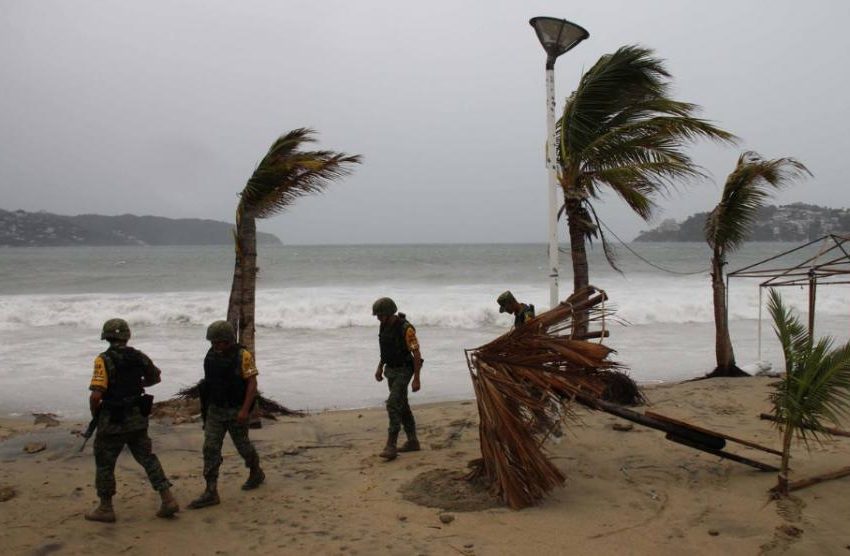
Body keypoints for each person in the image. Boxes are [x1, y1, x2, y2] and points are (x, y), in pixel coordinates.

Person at [85, 318, 179, 522]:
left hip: (113, 420)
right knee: (147, 458)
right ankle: (167, 497)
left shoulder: (104, 359)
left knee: (105, 464)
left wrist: (96, 415)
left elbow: (96, 395)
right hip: (137, 418)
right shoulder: (139, 356)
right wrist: (136, 385)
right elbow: (155, 378)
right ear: (127, 336)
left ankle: (105, 508)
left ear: (107, 337)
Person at [188, 320, 265, 509]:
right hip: (215, 410)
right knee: (210, 448)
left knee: (243, 446)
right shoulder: (211, 354)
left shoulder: (242, 355)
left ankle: (255, 471)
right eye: (213, 342)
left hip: (235, 409)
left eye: (220, 342)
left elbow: (252, 384)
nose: (216, 346)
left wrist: (245, 410)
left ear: (229, 340)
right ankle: (211, 491)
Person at [372, 297, 423, 461]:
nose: (378, 318)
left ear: (389, 313)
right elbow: (385, 350)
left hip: (404, 370)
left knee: (393, 403)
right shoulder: (384, 325)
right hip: (391, 370)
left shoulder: (406, 329)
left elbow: (416, 354)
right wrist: (380, 367)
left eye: (380, 315)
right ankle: (413, 441)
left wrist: (416, 378)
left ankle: (391, 445)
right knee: (402, 405)